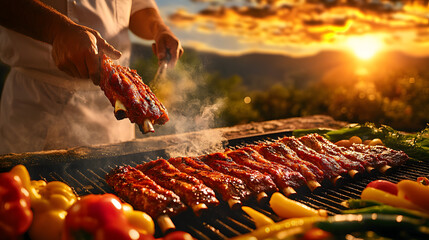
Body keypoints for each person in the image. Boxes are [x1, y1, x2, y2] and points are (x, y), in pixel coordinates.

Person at [0, 0, 183, 154]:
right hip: (39, 100)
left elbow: (136, 4)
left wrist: (158, 28)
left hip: (118, 105)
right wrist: (56, 30)